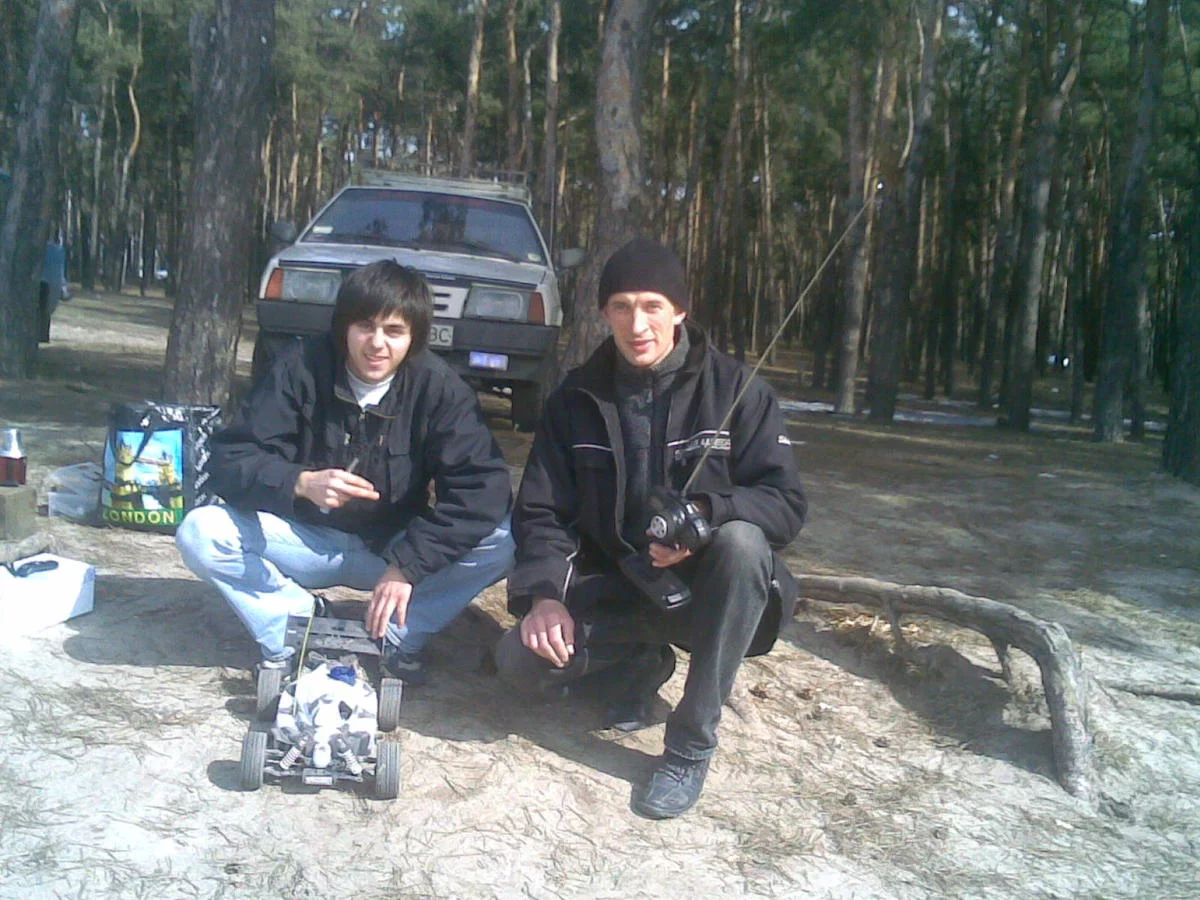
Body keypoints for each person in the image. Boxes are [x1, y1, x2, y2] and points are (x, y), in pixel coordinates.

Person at [496, 236, 807, 819]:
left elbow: (785, 504)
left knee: (743, 543)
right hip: (614, 585)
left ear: (679, 310)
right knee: (519, 664)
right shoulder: (575, 399)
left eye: (651, 306)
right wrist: (544, 597)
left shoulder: (737, 392)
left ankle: (690, 745)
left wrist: (708, 515)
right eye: (621, 307)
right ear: (604, 312)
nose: (636, 324)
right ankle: (638, 662)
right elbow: (541, 510)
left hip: (706, 596)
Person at [177, 260, 514, 684]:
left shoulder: (440, 388)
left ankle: (398, 636)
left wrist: (410, 564)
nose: (377, 344)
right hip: (303, 539)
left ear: (414, 337)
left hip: (390, 547)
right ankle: (295, 625)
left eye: (394, 331)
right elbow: (230, 459)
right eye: (365, 326)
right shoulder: (299, 367)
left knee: (506, 540)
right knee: (201, 531)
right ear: (343, 327)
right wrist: (299, 482)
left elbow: (483, 491)